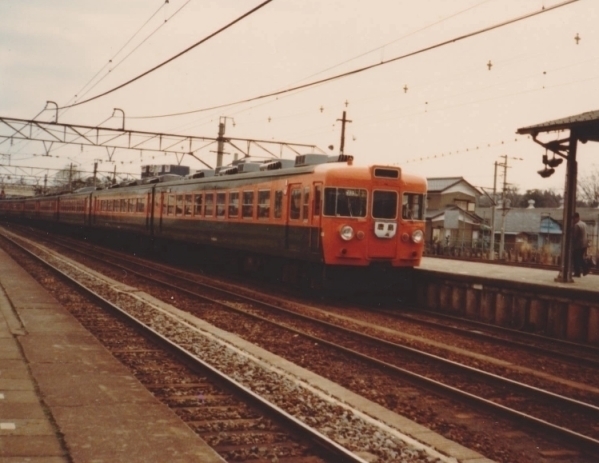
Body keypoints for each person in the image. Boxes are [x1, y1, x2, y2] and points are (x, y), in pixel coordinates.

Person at [571, 212, 588, 277]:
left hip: (578, 245)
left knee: (576, 258)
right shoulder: (584, 224)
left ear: (576, 218)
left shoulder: (576, 225)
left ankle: (582, 270)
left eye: (574, 219)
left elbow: (575, 236)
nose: (573, 220)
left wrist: (572, 244)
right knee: (579, 258)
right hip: (584, 244)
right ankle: (583, 270)